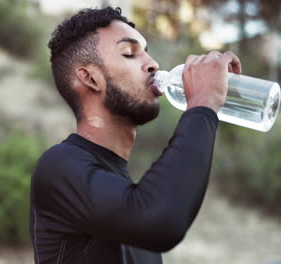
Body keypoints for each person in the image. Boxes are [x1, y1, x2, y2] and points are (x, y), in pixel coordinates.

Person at [29, 7, 241, 264]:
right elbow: (160, 220)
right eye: (129, 53)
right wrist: (203, 103)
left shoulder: (125, 192)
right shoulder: (58, 167)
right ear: (90, 78)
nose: (153, 64)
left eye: (147, 52)